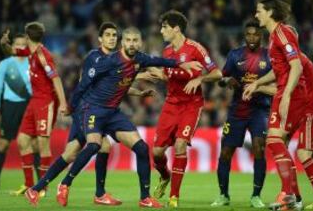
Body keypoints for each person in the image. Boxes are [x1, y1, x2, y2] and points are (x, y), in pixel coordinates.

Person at [24, 26, 202, 208]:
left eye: (135, 40)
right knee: (91, 146)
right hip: (91, 110)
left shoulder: (139, 58)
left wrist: (181, 64)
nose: (131, 44)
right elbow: (83, 84)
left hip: (112, 113)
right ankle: (61, 184)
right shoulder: (104, 61)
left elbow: (158, 61)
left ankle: (144, 197)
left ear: (139, 42)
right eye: (128, 40)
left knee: (141, 148)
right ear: (122, 43)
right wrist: (70, 107)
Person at [23, 22, 125, 206]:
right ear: (100, 38)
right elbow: (83, 84)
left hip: (86, 109)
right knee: (103, 146)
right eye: (108, 35)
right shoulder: (95, 57)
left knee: (70, 154)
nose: (112, 38)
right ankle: (89, 190)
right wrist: (70, 105)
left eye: (114, 35)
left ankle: (35, 189)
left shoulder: (112, 60)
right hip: (87, 109)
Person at [243, 0, 313, 210]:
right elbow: (279, 71)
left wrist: (286, 95)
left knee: (275, 141)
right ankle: (293, 197)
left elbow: (296, 66)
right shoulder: (275, 35)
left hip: (292, 94)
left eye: (259, 11)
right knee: (278, 143)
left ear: (270, 12)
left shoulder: (282, 33)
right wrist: (257, 82)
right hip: (286, 92)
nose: (256, 15)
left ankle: (290, 195)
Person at [245, 53, 313, 209]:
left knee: (299, 152)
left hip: (310, 110)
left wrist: (258, 85)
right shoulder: (298, 61)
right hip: (308, 109)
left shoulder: (294, 61)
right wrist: (259, 86)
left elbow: (284, 89)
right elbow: (282, 87)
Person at [148, 10, 222, 208]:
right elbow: (168, 76)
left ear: (176, 29)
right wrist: (157, 75)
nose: (161, 30)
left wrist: (200, 78)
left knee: (180, 145)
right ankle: (165, 176)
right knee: (156, 153)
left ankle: (174, 197)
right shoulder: (166, 52)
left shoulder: (196, 48)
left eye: (164, 27)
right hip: (171, 104)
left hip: (191, 105)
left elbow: (217, 73)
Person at [0, 22, 68, 196]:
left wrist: (63, 103)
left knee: (42, 144)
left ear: (27, 36)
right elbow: (12, 52)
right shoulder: (30, 52)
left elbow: (56, 79)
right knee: (22, 140)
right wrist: (3, 44)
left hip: (45, 103)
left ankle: (42, 186)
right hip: (33, 102)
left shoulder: (43, 55)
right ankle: (29, 184)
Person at [210, 19, 271, 208]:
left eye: (255, 34)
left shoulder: (269, 57)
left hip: (259, 110)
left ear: (261, 36)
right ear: (244, 36)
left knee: (259, 148)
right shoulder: (235, 55)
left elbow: (277, 83)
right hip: (237, 111)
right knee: (226, 152)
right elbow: (221, 78)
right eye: (248, 34)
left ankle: (256, 196)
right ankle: (223, 195)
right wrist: (227, 81)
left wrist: (259, 87)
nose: (252, 38)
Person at [0, 34, 38, 191]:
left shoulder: (32, 63)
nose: (20, 47)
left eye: (24, 44)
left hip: (29, 107)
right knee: (3, 144)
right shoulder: (4, 64)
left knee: (34, 145)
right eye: (17, 44)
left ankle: (40, 183)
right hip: (10, 107)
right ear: (12, 46)